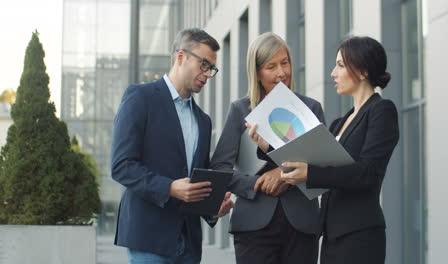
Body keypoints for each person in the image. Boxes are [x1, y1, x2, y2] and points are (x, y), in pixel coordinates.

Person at [250, 36, 400, 264]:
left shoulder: (382, 110)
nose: (333, 73)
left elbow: (368, 173)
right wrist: (268, 146)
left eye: (340, 65)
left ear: (362, 72)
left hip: (360, 236)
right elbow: (313, 163)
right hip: (331, 236)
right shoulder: (339, 122)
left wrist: (311, 173)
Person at [111, 28, 234, 264]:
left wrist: (213, 208)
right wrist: (169, 188)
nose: (207, 74)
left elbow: (196, 181)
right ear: (181, 57)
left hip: (188, 243)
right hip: (149, 239)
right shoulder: (140, 97)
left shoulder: (203, 120)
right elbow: (121, 166)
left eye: (212, 68)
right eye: (203, 64)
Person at [210, 32, 324, 264]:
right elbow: (220, 169)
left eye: (285, 63)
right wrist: (255, 183)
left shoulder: (311, 108)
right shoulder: (240, 110)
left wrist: (281, 174)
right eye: (271, 66)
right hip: (253, 224)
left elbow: (322, 166)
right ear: (257, 72)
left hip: (301, 224)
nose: (281, 72)